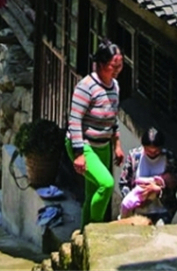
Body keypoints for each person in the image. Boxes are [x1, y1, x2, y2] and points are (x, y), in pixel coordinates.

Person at [65, 39, 125, 228]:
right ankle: (96, 228)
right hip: (85, 146)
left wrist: (117, 145)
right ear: (100, 64)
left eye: (120, 66)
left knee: (92, 194)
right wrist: (79, 153)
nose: (116, 70)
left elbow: (113, 118)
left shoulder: (115, 86)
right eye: (112, 66)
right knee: (106, 184)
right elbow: (74, 120)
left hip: (103, 146)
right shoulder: (86, 86)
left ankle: (83, 233)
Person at [119, 127, 177, 224]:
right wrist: (135, 200)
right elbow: (123, 182)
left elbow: (174, 185)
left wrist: (158, 190)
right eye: (148, 151)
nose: (152, 154)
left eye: (156, 151)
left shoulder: (169, 158)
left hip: (162, 209)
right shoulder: (134, 156)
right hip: (137, 211)